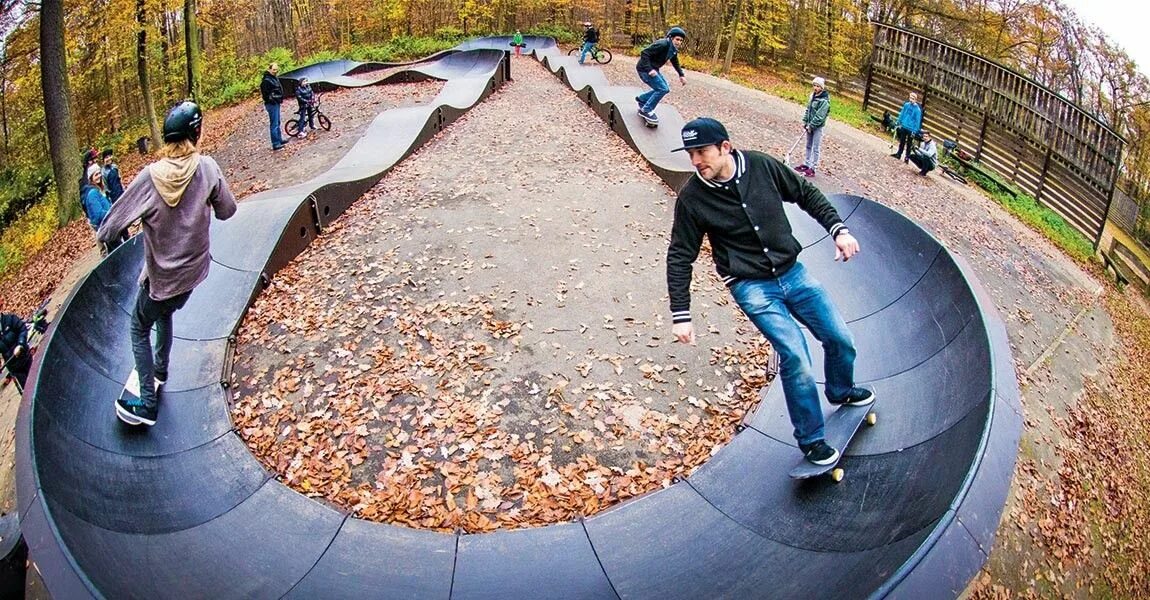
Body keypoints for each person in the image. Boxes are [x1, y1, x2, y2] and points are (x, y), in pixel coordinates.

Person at [666, 117, 874, 466]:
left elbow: (806, 193)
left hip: (794, 273)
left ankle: (840, 390)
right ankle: (811, 440)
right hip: (751, 286)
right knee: (795, 355)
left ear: (725, 148)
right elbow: (680, 255)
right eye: (690, 154)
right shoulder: (692, 198)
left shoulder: (761, 166)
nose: (696, 162)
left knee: (839, 338)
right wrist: (681, 313)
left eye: (701, 152)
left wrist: (838, 229)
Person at [97, 100, 237, 427]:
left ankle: (147, 404)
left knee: (138, 326)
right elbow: (228, 211)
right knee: (164, 311)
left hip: (163, 281)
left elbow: (108, 229)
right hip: (192, 277)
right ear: (196, 133)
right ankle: (159, 368)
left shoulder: (150, 177)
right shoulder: (208, 168)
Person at [635, 26, 688, 123]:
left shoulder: (673, 48)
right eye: (677, 39)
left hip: (653, 69)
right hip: (644, 69)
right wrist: (649, 69)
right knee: (662, 89)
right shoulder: (662, 44)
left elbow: (674, 61)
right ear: (671, 38)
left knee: (665, 88)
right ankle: (646, 110)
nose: (679, 42)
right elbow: (644, 53)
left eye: (681, 40)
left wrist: (681, 75)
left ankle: (642, 99)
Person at [796, 76, 830, 178]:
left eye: (818, 86)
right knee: (808, 145)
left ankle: (813, 168)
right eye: (814, 85)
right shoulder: (812, 96)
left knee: (815, 147)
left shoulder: (824, 101)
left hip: (817, 127)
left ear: (822, 88)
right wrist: (805, 121)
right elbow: (808, 110)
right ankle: (806, 164)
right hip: (809, 125)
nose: (815, 88)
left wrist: (811, 125)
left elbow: (820, 116)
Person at [0, 312, 30, 390]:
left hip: (25, 357)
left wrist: (20, 344)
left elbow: (22, 329)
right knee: (27, 389)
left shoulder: (10, 318)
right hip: (14, 367)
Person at [260, 63, 287, 150]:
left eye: (276, 69)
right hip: (271, 104)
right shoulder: (266, 81)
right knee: (274, 123)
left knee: (277, 122)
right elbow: (266, 95)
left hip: (276, 102)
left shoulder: (274, 78)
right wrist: (273, 99)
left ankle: (279, 139)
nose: (276, 71)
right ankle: (275, 143)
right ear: (269, 69)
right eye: (274, 70)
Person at [891, 91, 922, 162]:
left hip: (911, 129)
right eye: (910, 97)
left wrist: (915, 130)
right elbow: (902, 114)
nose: (911, 99)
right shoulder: (906, 105)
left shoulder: (917, 110)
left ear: (915, 99)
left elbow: (918, 121)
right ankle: (899, 154)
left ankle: (907, 157)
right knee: (902, 141)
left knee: (909, 144)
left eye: (913, 98)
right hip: (904, 126)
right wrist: (898, 122)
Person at [80, 164, 111, 231]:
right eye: (96, 175)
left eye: (99, 173)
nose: (99, 176)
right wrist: (112, 212)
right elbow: (98, 215)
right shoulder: (92, 194)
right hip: (104, 228)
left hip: (110, 224)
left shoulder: (100, 189)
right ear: (91, 178)